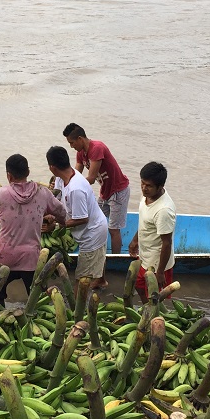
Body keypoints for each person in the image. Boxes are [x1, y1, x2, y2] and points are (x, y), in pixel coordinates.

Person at [0, 153, 67, 306]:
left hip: (5, 255)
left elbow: (0, 222)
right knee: (36, 299)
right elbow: (62, 214)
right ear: (28, 172)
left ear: (9, 176)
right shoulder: (43, 193)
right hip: (31, 259)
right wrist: (52, 221)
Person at [46, 145, 109, 289]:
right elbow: (56, 196)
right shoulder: (61, 178)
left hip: (92, 232)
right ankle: (101, 281)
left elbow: (82, 219)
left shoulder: (76, 188)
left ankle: (78, 309)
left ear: (52, 167)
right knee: (98, 259)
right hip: (94, 223)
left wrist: (55, 225)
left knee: (81, 280)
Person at [63, 123, 131, 255]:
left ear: (80, 139)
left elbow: (91, 178)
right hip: (105, 192)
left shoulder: (97, 148)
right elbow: (75, 176)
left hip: (118, 191)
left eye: (72, 143)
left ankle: (115, 258)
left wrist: (72, 187)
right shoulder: (80, 153)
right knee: (92, 218)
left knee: (113, 229)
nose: (71, 146)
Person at [128, 161, 176, 303]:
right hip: (144, 255)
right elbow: (145, 221)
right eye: (142, 183)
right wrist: (135, 240)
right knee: (138, 285)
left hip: (157, 262)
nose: (144, 188)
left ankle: (153, 318)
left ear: (160, 187)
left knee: (154, 297)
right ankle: (145, 309)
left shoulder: (163, 211)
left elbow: (167, 243)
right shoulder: (147, 196)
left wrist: (160, 272)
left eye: (148, 186)